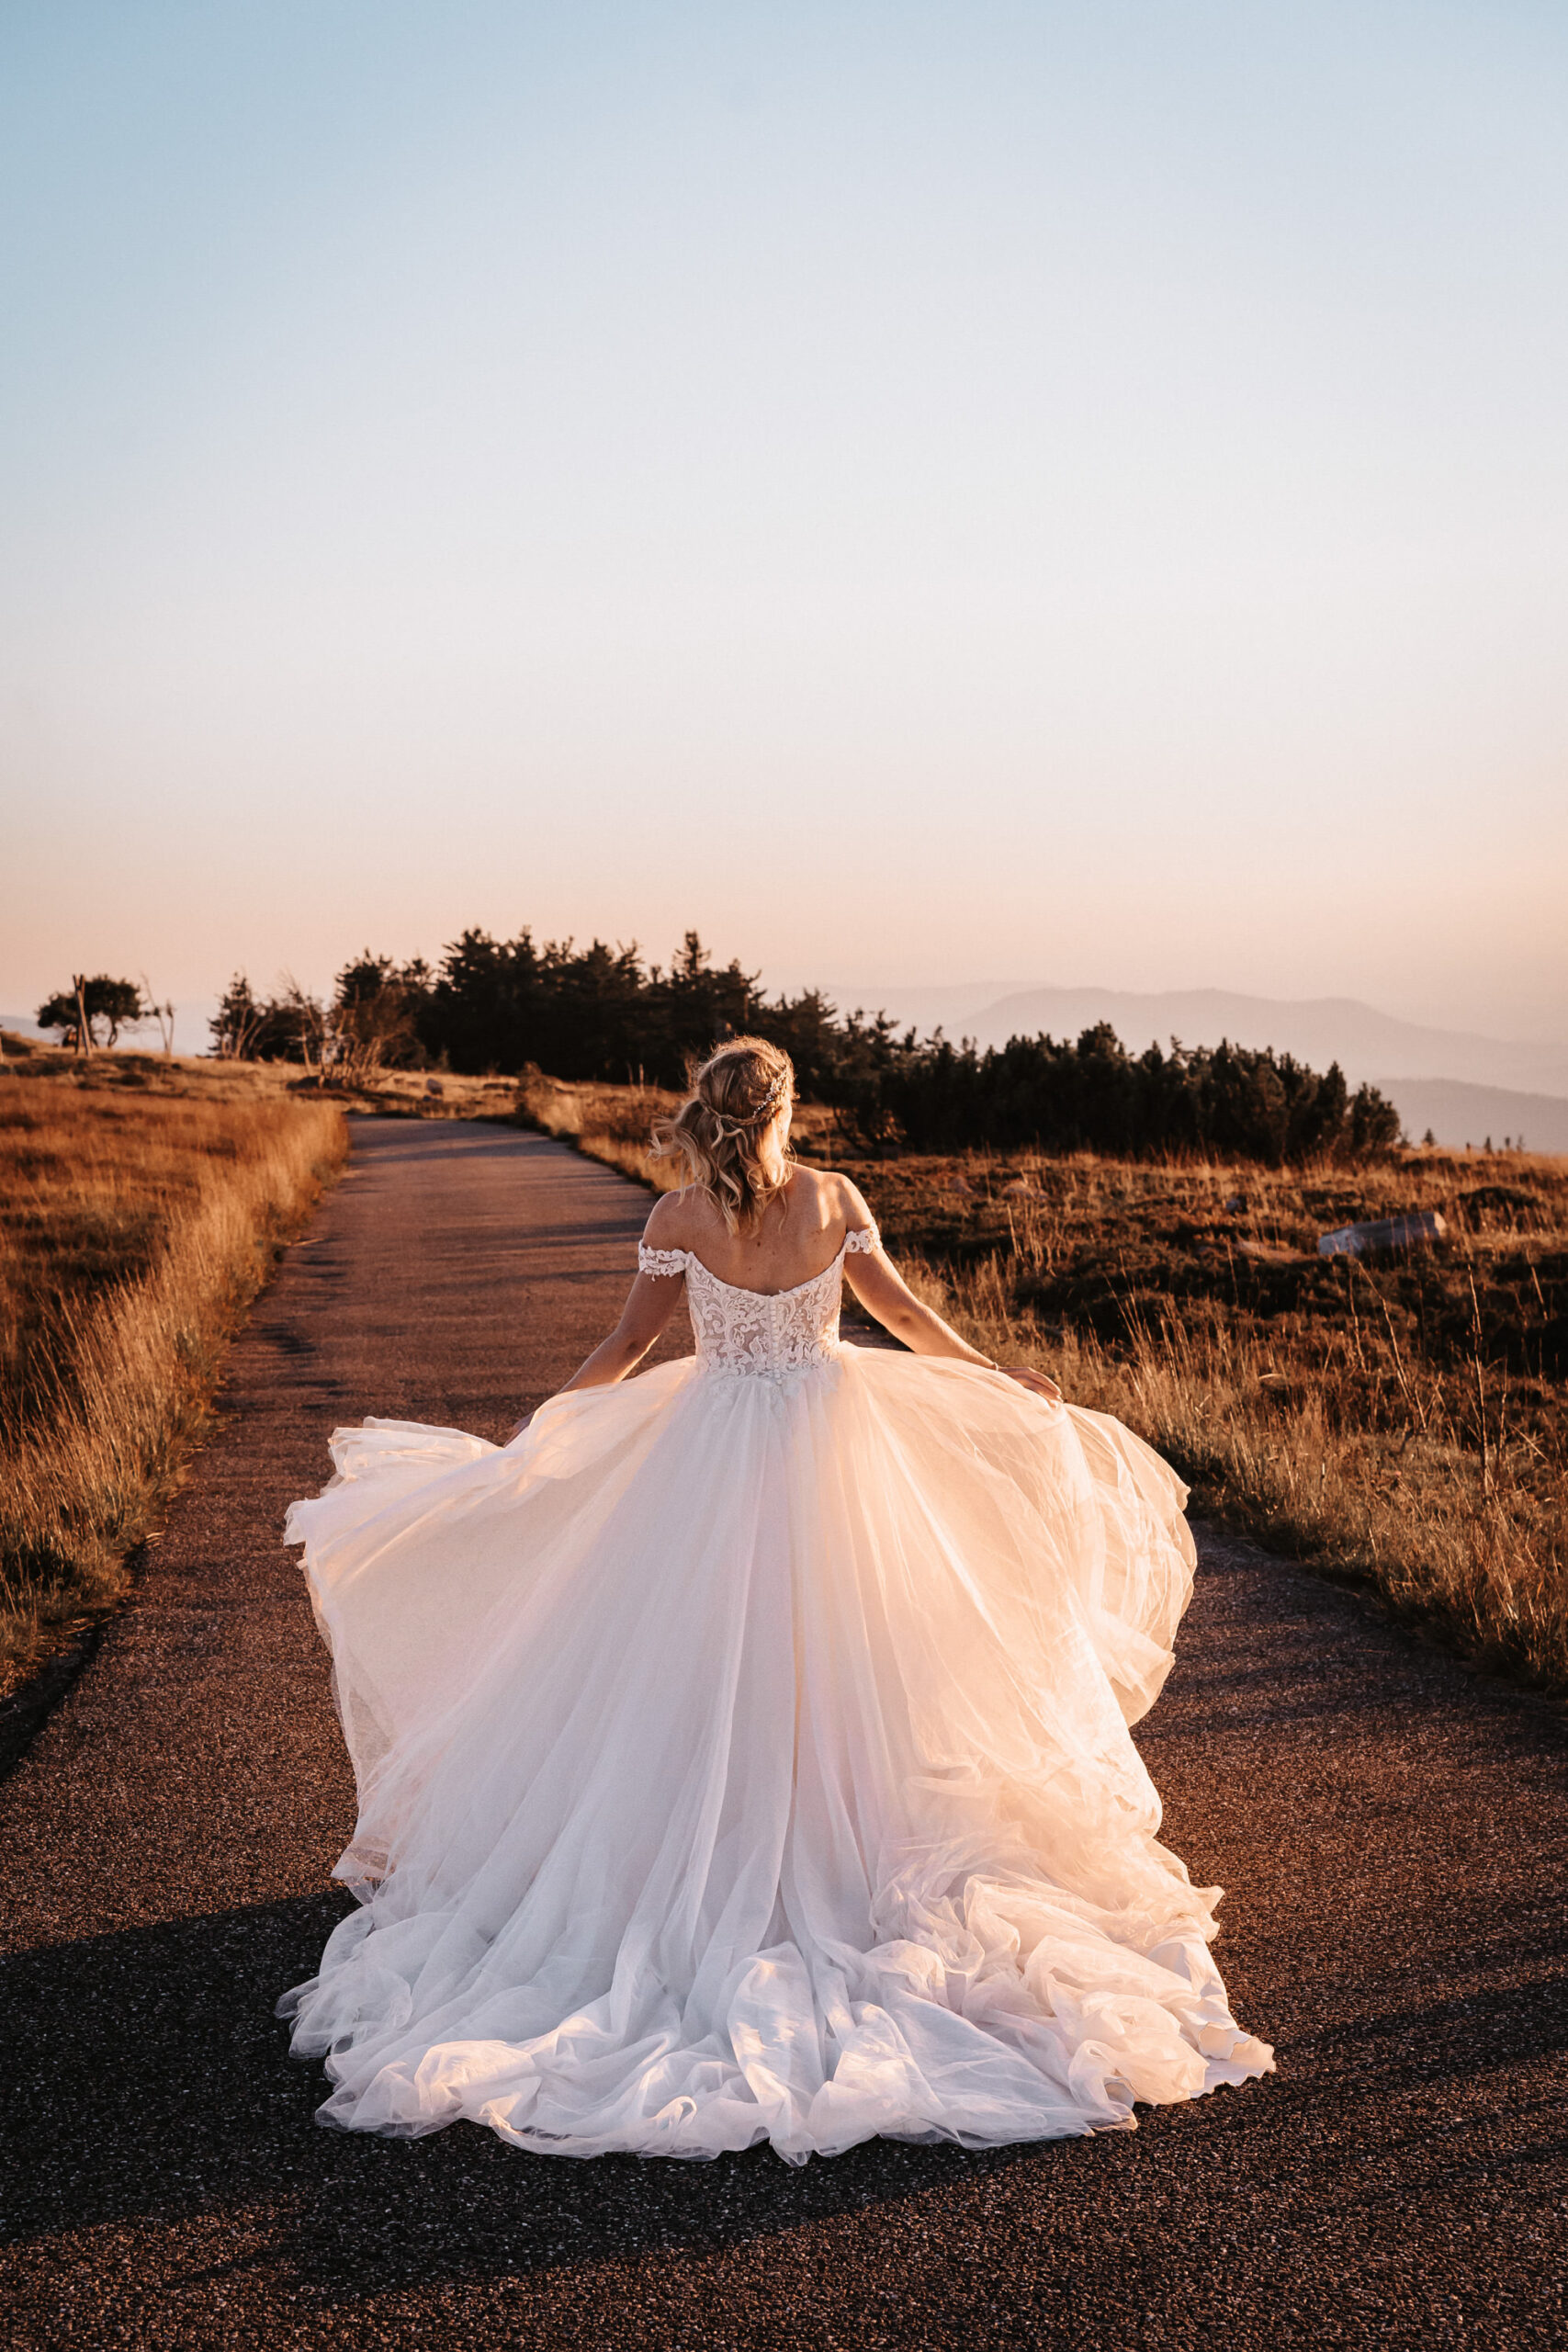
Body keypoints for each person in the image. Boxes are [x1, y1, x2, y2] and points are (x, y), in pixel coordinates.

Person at [280, 1036, 1272, 2161]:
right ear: (788, 1107)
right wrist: (996, 1374)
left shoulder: (676, 1220)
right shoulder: (834, 1199)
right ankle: (831, 1837)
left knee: (692, 1654)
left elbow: (625, 1346)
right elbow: (907, 1319)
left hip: (704, 1456)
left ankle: (700, 1842)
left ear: (705, 1111)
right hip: (830, 1452)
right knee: (851, 1655)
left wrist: (537, 1439)